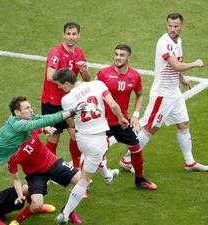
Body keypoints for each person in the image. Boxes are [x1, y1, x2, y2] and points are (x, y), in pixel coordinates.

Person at [0, 96, 90, 219]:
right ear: (17, 112)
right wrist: (73, 111)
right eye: (27, 108)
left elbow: (41, 119)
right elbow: (48, 119)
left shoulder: (17, 120)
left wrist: (44, 128)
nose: (31, 110)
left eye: (30, 106)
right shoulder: (19, 125)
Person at [129, 12, 208, 172]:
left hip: (174, 92)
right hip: (162, 93)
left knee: (183, 124)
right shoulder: (165, 42)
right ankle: (127, 159)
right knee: (150, 128)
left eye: (176, 26)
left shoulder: (177, 41)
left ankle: (189, 162)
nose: (172, 29)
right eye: (170, 26)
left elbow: (175, 64)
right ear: (166, 25)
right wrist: (195, 64)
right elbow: (175, 65)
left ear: (181, 27)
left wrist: (182, 78)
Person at [52, 68, 129, 224]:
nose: (60, 88)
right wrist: (121, 118)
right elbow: (113, 105)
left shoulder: (66, 100)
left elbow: (72, 123)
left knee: (92, 158)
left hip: (82, 139)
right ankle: (65, 215)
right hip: (97, 139)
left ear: (67, 83)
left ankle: (108, 175)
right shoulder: (98, 84)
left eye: (60, 85)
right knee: (84, 179)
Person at [96, 44, 157, 190]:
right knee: (94, 154)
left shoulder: (135, 76)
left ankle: (140, 180)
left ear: (128, 57)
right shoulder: (103, 74)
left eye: (121, 55)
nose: (118, 57)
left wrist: (135, 115)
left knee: (136, 148)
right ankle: (84, 187)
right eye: (116, 54)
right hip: (103, 122)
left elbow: (140, 94)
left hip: (122, 121)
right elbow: (92, 90)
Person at [8, 128, 89, 225]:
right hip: (36, 175)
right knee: (37, 205)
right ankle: (17, 221)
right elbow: (16, 179)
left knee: (84, 182)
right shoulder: (11, 155)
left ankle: (68, 211)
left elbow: (41, 127)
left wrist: (46, 129)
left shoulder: (29, 131)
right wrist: (20, 195)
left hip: (53, 163)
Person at [41, 22, 91, 169]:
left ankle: (76, 168)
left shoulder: (79, 54)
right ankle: (48, 170)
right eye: (68, 34)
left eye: (74, 34)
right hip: (52, 101)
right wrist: (73, 82)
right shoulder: (56, 52)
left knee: (74, 133)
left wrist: (84, 70)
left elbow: (87, 78)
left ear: (78, 35)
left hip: (69, 101)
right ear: (64, 34)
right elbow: (50, 75)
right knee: (54, 135)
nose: (71, 37)